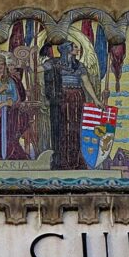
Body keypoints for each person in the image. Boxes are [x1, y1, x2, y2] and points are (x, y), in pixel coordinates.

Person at [43, 41, 105, 170]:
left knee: (76, 128)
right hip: (62, 98)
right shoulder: (54, 63)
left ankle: (76, 160)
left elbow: (86, 83)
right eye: (75, 47)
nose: (77, 49)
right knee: (62, 128)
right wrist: (32, 54)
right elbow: (36, 69)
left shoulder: (79, 65)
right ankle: (62, 160)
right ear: (67, 49)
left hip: (77, 98)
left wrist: (96, 100)